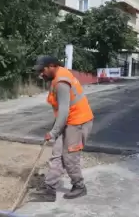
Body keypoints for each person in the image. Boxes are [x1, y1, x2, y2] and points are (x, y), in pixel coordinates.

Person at [30, 55, 94, 202]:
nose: (41, 74)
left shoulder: (61, 82)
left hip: (78, 122)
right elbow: (61, 111)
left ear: (52, 66)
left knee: (70, 157)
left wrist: (53, 132)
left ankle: (79, 186)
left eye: (42, 70)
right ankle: (49, 189)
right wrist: (55, 128)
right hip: (68, 121)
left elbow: (64, 111)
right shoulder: (56, 78)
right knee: (57, 154)